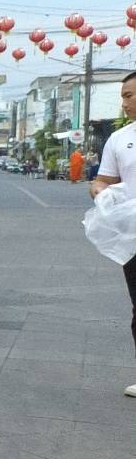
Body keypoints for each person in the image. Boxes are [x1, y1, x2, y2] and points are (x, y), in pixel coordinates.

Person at [89, 71, 136, 398]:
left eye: (130, 95)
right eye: (123, 96)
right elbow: (104, 180)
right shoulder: (120, 139)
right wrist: (98, 190)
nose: (125, 103)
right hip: (133, 235)